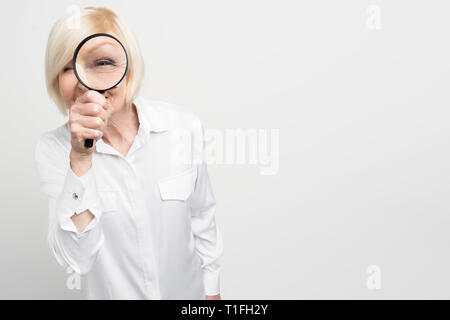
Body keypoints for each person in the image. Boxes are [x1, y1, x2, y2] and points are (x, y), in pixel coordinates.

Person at [34, 6, 223, 300]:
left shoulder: (184, 128)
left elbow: (203, 217)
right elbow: (78, 259)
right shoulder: (54, 150)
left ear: (128, 69)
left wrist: (212, 293)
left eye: (103, 62)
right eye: (69, 67)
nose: (85, 81)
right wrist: (81, 159)